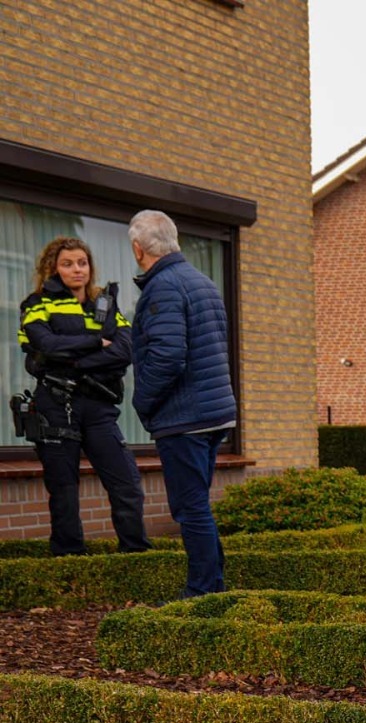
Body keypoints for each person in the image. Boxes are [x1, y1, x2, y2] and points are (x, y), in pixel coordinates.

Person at [16, 237, 151, 555]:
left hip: (99, 406)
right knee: (64, 491)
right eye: (67, 264)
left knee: (126, 482)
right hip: (56, 405)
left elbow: (125, 350)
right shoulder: (36, 304)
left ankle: (136, 556)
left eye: (82, 262)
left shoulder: (105, 303)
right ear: (53, 268)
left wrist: (73, 360)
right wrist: (94, 343)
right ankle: (69, 559)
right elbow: (45, 346)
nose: (77, 269)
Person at [128, 210, 236, 597]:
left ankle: (202, 593)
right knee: (197, 505)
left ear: (138, 249)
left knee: (190, 508)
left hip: (185, 417)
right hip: (212, 412)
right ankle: (213, 586)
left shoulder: (163, 287)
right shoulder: (201, 281)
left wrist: (142, 402)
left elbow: (168, 356)